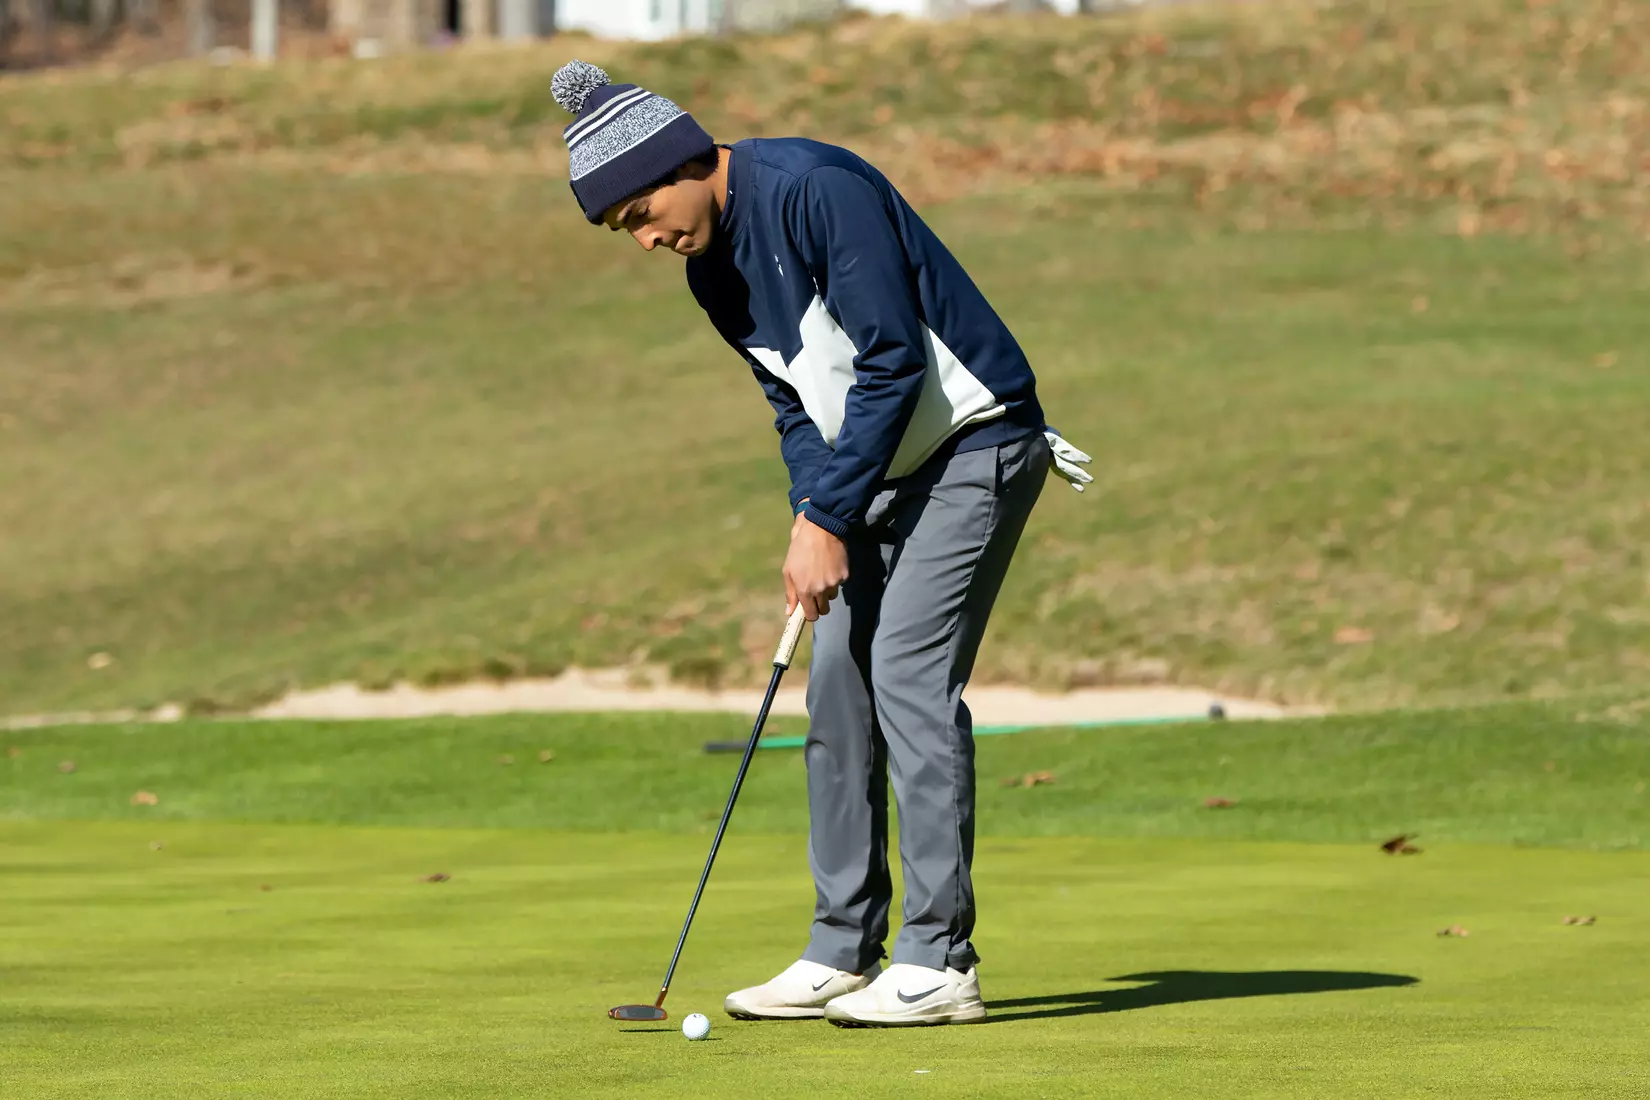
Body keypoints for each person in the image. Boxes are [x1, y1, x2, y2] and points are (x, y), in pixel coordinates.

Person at [550, 60, 1092, 1027]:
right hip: (873, 475)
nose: (646, 239)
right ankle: (843, 948)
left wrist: (825, 518)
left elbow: (892, 361)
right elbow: (793, 405)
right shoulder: (710, 273)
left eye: (641, 212)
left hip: (976, 440)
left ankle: (939, 961)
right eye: (624, 229)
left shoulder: (816, 189)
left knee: (908, 676)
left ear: (683, 162)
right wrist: (816, 512)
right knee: (837, 687)